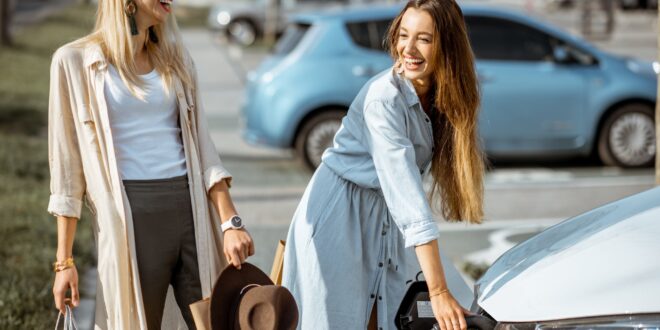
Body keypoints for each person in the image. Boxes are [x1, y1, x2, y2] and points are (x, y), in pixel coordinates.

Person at [48, 0, 254, 328]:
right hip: (132, 221)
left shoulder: (176, 59)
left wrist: (230, 222)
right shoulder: (73, 62)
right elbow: (67, 174)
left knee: (217, 321)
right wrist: (64, 262)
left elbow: (203, 145)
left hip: (192, 214)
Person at [281, 0, 485, 329]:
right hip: (339, 216)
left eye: (424, 38)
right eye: (403, 35)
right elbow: (408, 197)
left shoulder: (440, 96)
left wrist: (444, 292)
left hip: (385, 217)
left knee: (446, 310)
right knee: (344, 321)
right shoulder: (384, 98)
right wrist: (438, 289)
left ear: (447, 45)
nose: (408, 48)